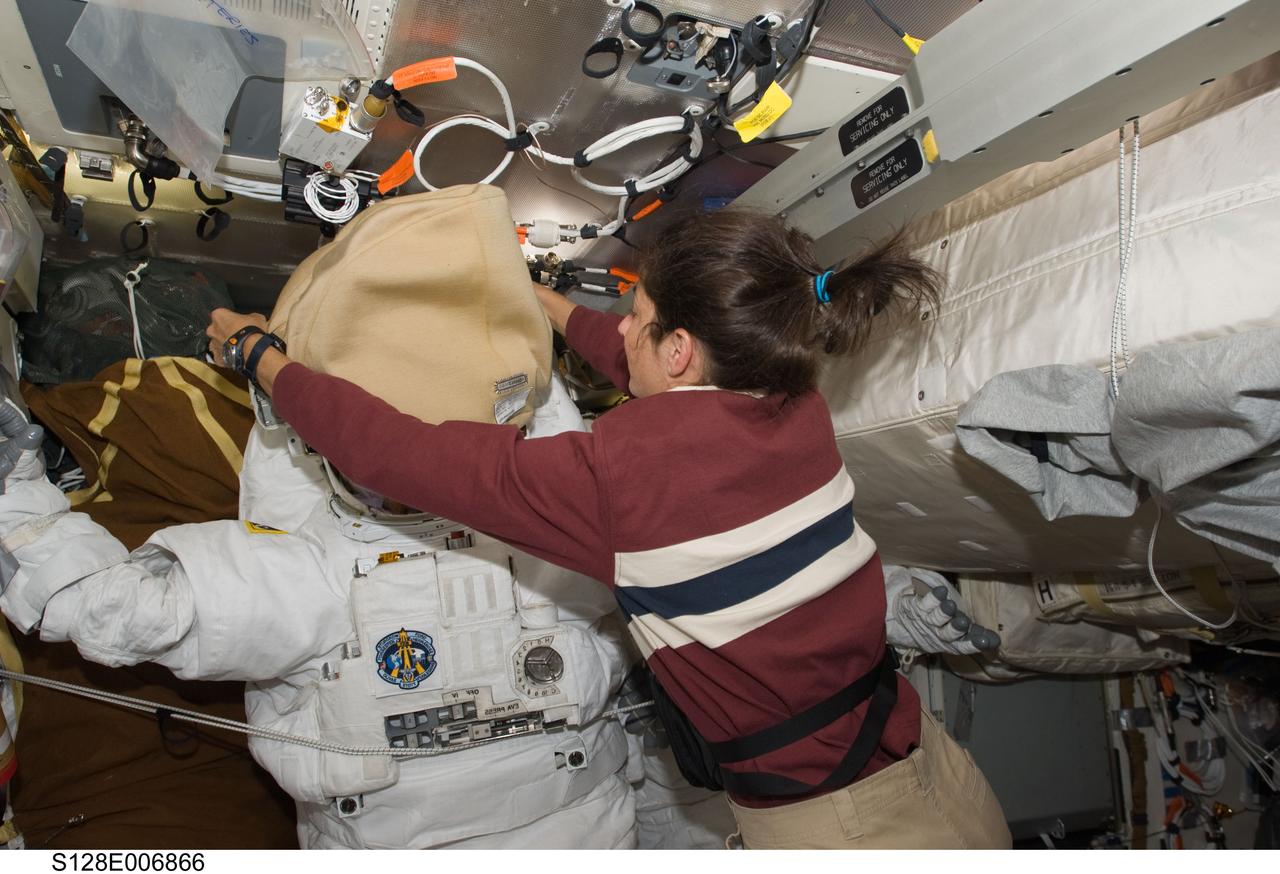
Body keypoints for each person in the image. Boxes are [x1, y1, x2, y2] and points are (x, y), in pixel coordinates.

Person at [206, 203, 1012, 849]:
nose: (620, 328)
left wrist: (261, 359)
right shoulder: (790, 396)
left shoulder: (620, 484)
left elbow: (392, 453)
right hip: (935, 771)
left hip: (841, 833)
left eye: (638, 315)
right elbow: (637, 359)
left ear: (682, 350)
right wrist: (537, 300)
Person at [0, 187, 639, 848]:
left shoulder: (306, 583)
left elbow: (104, 608)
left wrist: (14, 488)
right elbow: (544, 412)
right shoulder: (585, 535)